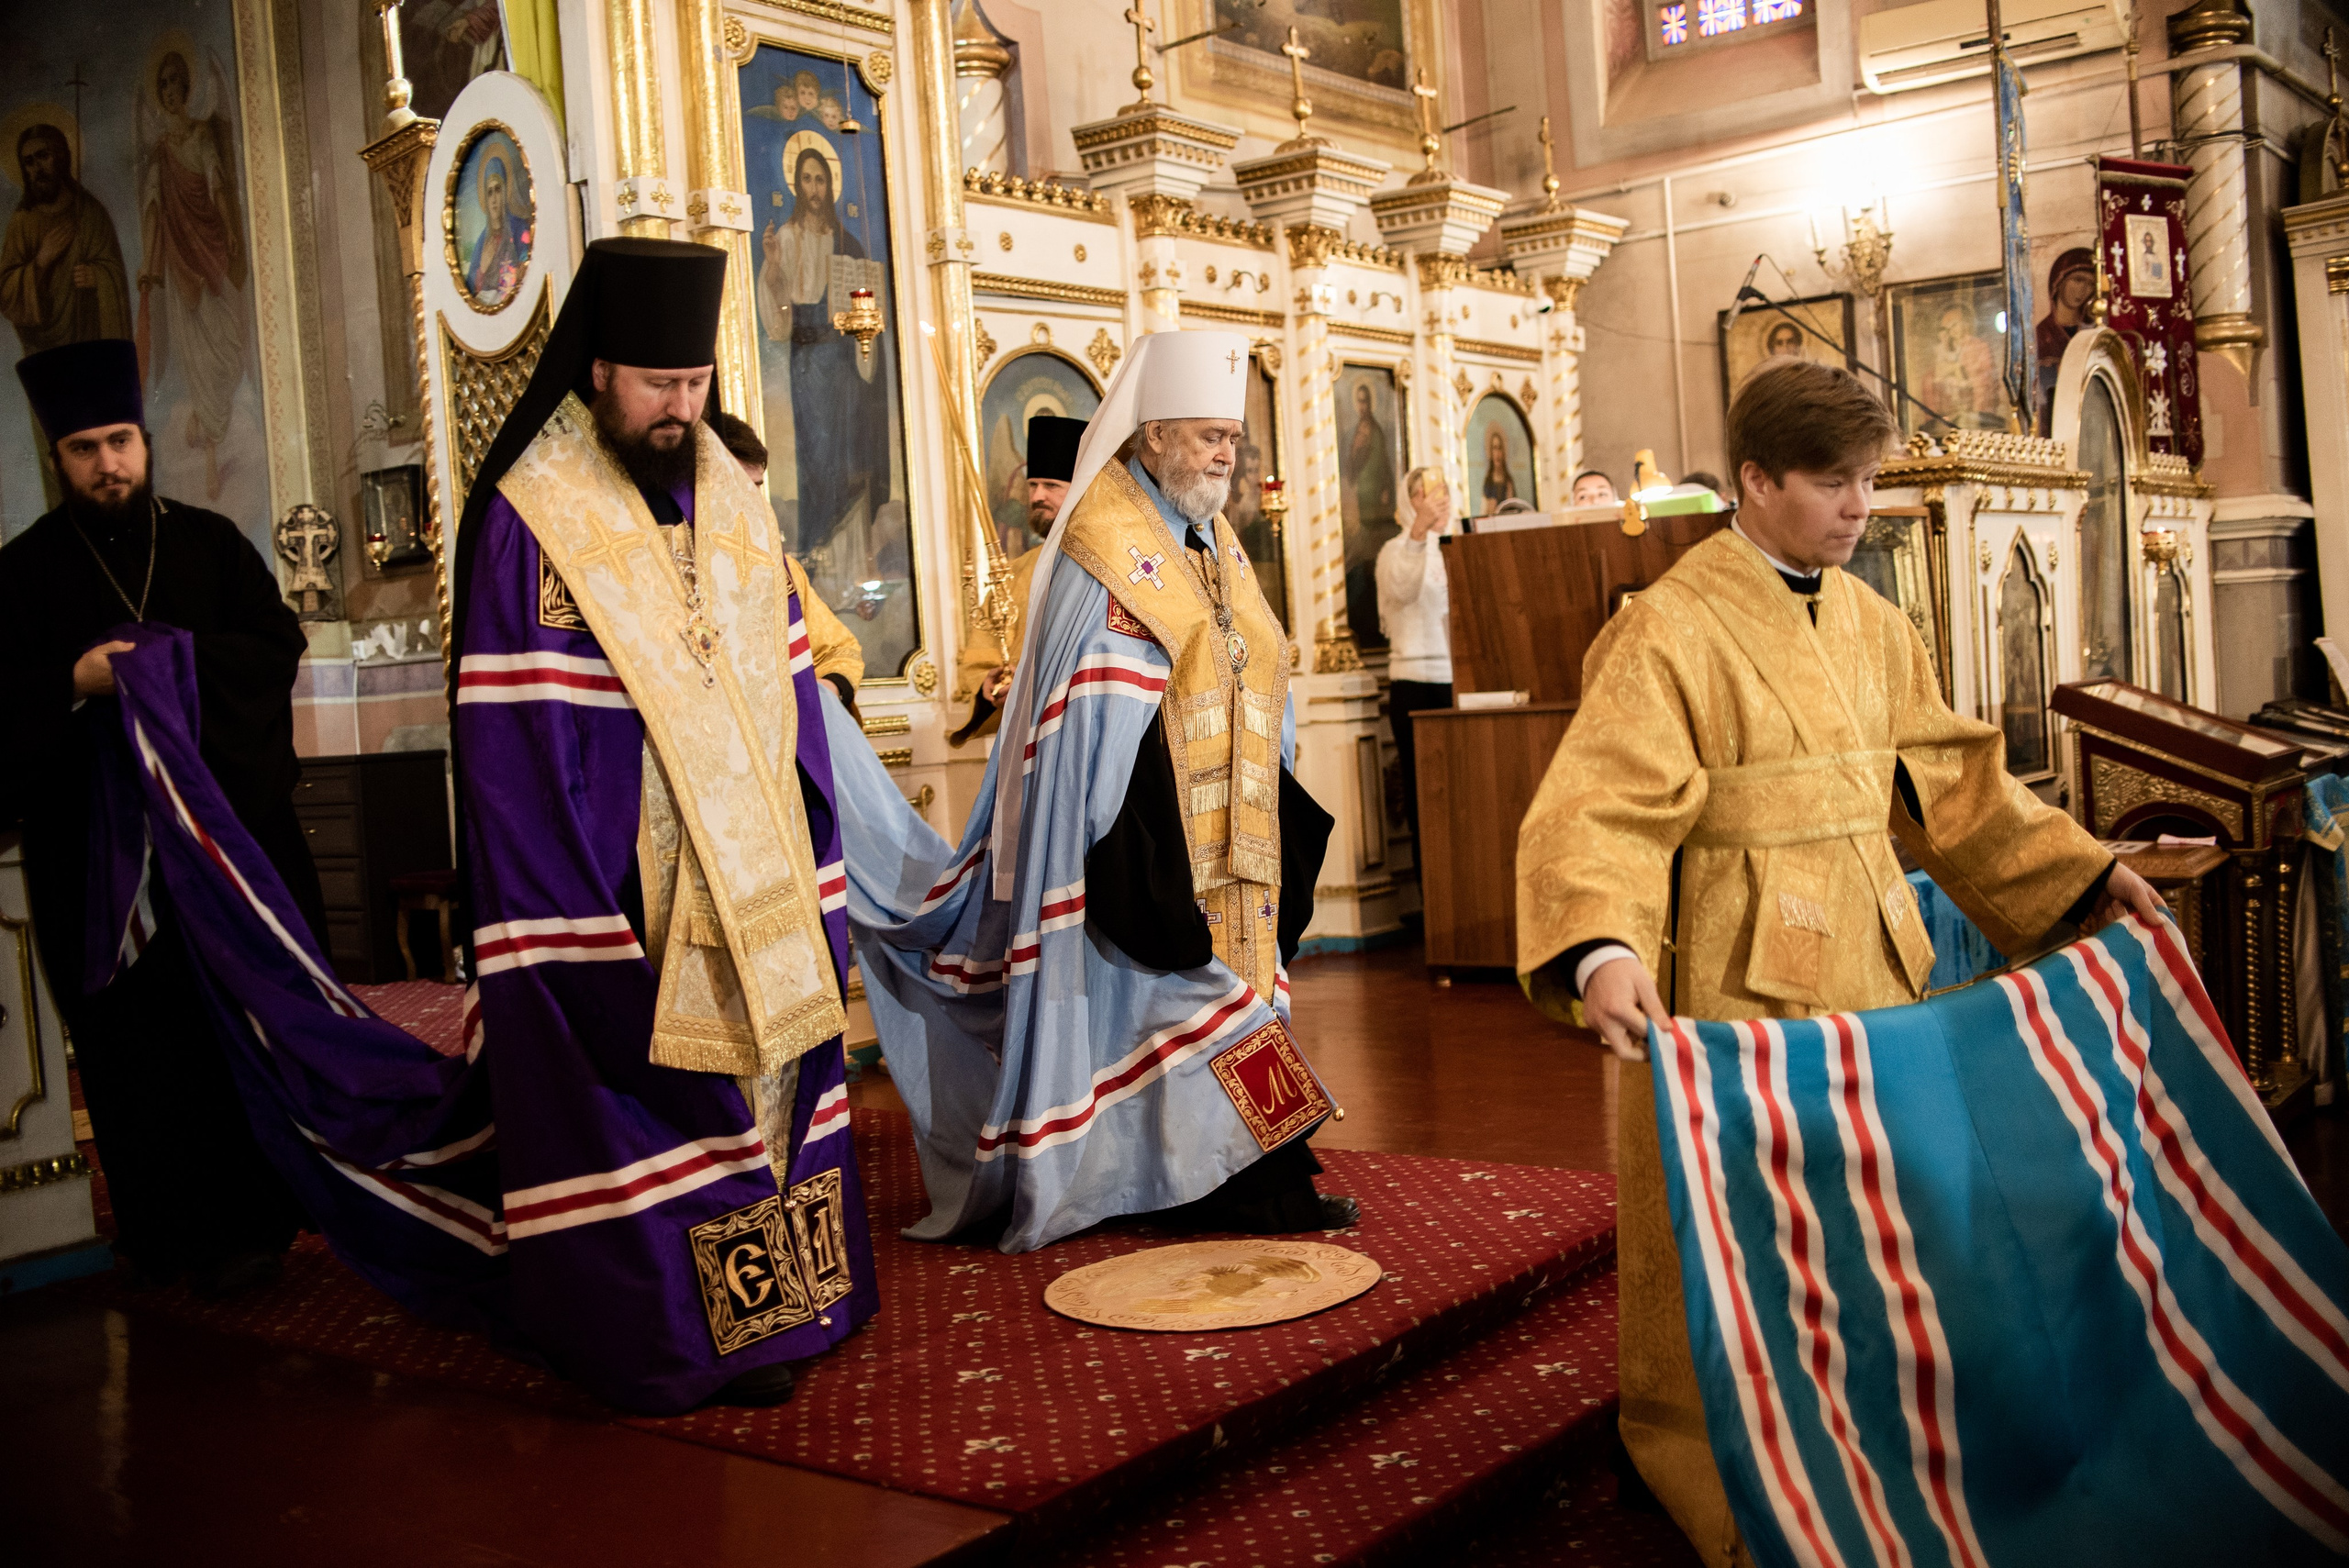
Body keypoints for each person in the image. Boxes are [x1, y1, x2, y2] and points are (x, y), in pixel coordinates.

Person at [1514, 357, 2167, 1566]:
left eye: (1867, 482)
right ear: (1755, 481)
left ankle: (1877, 1439)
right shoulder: (1664, 627)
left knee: (1876, 1221)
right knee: (1738, 1236)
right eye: (1832, 484)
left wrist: (2085, 873)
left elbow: (1961, 791)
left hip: (1875, 974)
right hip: (1729, 987)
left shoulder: (1874, 621)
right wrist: (1601, 943)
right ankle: (1708, 1442)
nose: (1859, 507)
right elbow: (1596, 806)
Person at [448, 237, 875, 1410]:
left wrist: (809, 832)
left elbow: (787, 681)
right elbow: (518, 741)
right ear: (596, 372)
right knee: (658, 1089)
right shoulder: (531, 514)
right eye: (657, 387)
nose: (681, 410)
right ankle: (690, 1327)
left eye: (694, 386)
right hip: (623, 877)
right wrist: (579, 905)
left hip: (757, 859)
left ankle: (791, 1297)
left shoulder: (729, 496)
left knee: (773, 1076)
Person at [841, 329, 1343, 1254]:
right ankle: (1207, 1180)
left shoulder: (1208, 536)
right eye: (1204, 437)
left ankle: (1251, 1171)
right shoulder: (1105, 537)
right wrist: (1138, 834)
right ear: (1149, 436)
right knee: (1170, 998)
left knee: (1225, 1001)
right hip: (1134, 834)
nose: (1224, 455)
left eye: (1230, 437)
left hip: (1230, 833)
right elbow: (1092, 703)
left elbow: (1249, 656)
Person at [0, 338, 317, 1296]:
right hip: (94, 866)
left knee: (234, 1032)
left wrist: (160, 664)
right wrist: (73, 682)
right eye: (86, 448)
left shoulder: (210, 544)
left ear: (146, 441)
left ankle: (265, 1214)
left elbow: (271, 650)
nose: (109, 465)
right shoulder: (20, 575)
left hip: (215, 852)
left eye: (122, 441)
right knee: (139, 1049)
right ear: (57, 457)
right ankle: (169, 1231)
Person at [137, 48, 249, 501]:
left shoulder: (202, 135)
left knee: (227, 342)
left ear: (187, 89)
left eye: (176, 84)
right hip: (183, 265)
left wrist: (230, 230)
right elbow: (152, 208)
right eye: (163, 86)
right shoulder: (160, 153)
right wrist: (148, 264)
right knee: (197, 352)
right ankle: (209, 460)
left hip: (212, 249)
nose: (170, 93)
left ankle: (221, 435)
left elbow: (217, 181)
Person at [2, 119, 131, 506]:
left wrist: (97, 277)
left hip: (92, 355)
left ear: (62, 157)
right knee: (59, 452)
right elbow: (7, 294)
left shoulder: (89, 215)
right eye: (28, 162)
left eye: (43, 156)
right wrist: (40, 264)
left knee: (103, 449)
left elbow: (115, 278)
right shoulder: (22, 224)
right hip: (46, 363)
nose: (36, 168)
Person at [704, 406, 864, 715]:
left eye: (756, 488)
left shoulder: (784, 571)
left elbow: (840, 651)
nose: (751, 503)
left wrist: (825, 692)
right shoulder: (665, 574)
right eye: (737, 487)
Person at [950, 412, 1085, 745]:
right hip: (1027, 742)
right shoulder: (1014, 574)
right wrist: (988, 685)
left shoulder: (1114, 566)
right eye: (1032, 485)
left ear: (1083, 491)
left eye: (1051, 486)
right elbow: (979, 660)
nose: (1037, 496)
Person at [1375, 467, 1454, 862]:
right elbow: (1402, 589)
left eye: (1442, 491)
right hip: (1416, 683)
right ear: (1411, 503)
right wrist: (1419, 533)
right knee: (1429, 797)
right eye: (1425, 493)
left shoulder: (1458, 544)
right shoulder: (1396, 550)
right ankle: (1432, 909)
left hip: (1460, 683)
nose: (1438, 499)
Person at [2035, 247, 2096, 434]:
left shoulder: (2092, 333)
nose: (2083, 289)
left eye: (2090, 284)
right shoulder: (2041, 335)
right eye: (2077, 280)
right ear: (2059, 282)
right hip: (2054, 425)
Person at [464, 150, 531, 307]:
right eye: (489, 193)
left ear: (505, 192)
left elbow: (528, 262)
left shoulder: (519, 228)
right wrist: (482, 269)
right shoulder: (482, 241)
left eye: (498, 190)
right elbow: (471, 290)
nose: (494, 199)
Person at [1478, 427, 1517, 516]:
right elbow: (1483, 512)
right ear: (1491, 452)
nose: (1497, 453)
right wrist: (1489, 508)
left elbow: (1514, 509)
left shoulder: (1508, 481)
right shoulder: (1488, 481)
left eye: (1500, 448)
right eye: (1494, 448)